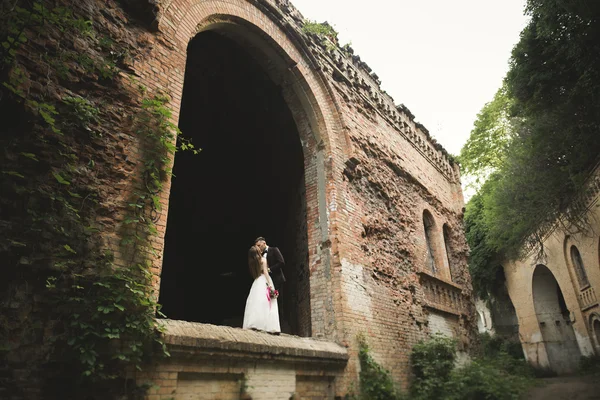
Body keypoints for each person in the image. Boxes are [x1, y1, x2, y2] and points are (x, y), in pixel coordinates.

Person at [242, 245, 281, 334]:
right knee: (268, 302)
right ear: (258, 251)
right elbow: (266, 273)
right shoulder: (263, 260)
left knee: (256, 302)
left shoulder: (252, 262)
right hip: (264, 280)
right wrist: (270, 285)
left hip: (257, 282)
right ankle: (270, 326)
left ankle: (255, 323)